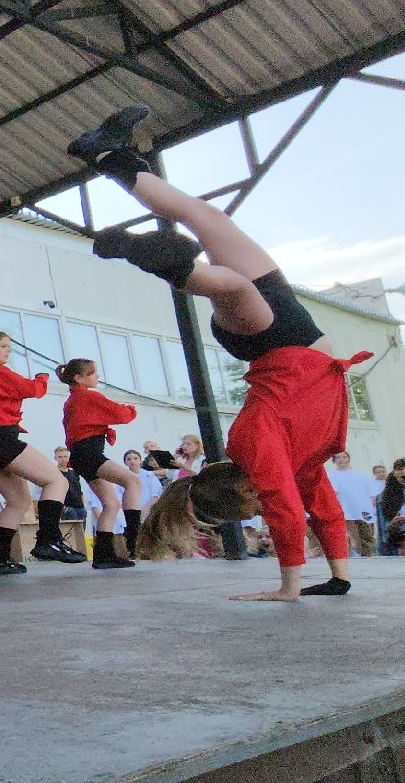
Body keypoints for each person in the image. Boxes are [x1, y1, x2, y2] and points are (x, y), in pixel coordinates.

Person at [73, 104, 368, 600]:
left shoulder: (254, 445)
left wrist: (288, 588)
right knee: (205, 215)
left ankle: (153, 253)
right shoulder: (302, 466)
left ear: (243, 489)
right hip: (291, 331)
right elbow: (325, 510)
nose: (261, 507)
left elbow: (286, 510)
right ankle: (106, 152)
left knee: (231, 288)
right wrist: (338, 576)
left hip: (271, 344)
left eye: (251, 505)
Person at [0, 327, 86, 571]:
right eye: (4, 346)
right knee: (57, 482)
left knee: (18, 501)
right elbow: (33, 390)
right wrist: (42, 376)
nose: (8, 351)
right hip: (2, 439)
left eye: (9, 347)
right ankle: (49, 540)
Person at [56, 358, 142, 568]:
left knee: (111, 503)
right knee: (133, 481)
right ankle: (134, 536)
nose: (97, 377)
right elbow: (119, 413)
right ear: (79, 378)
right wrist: (131, 408)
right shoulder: (87, 396)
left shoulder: (73, 400)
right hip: (90, 454)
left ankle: (104, 554)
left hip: (81, 455)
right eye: (93, 373)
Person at [325, 451, 379, 557]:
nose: (341, 459)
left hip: (362, 509)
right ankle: (354, 555)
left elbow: (372, 491)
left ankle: (370, 554)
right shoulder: (331, 475)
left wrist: (372, 502)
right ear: (334, 460)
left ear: (348, 459)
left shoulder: (360, 474)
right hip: (345, 510)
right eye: (338, 457)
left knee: (366, 534)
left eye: (344, 457)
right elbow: (333, 492)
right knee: (351, 535)